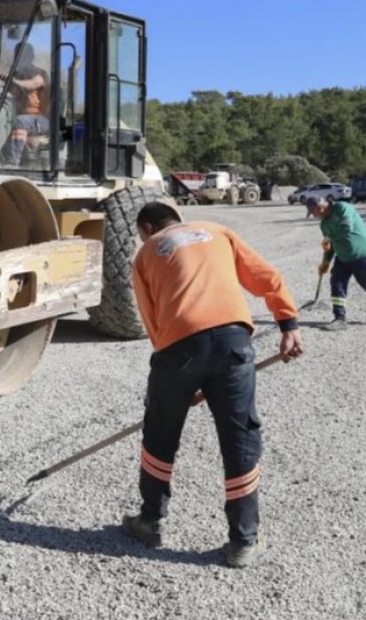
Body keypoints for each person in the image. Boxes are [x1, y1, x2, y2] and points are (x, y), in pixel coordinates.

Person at [122, 201, 304, 568]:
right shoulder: (218, 232)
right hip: (234, 343)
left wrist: (178, 380)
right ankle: (243, 542)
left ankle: (150, 522)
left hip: (178, 348)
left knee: (160, 433)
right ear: (178, 219)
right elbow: (266, 277)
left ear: (146, 228)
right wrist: (288, 324)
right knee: (240, 439)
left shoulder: (145, 254)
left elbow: (152, 318)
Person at [305, 194, 366, 329]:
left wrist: (329, 239)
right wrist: (326, 262)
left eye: (313, 212)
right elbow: (331, 245)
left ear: (320, 207)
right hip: (343, 258)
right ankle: (339, 318)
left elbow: (346, 229)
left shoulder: (342, 208)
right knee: (337, 283)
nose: (314, 216)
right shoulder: (324, 224)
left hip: (362, 254)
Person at [2, 44, 51, 167]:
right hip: (20, 118)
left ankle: (13, 162)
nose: (20, 58)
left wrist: (13, 81)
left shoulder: (40, 74)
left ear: (31, 57)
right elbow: (12, 96)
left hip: (40, 120)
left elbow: (31, 84)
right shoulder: (17, 75)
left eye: (23, 55)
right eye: (18, 55)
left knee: (20, 121)